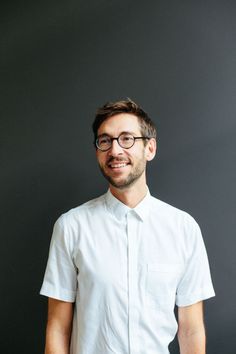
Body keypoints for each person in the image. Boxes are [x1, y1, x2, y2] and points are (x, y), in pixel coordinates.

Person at [40, 98, 215, 354]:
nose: (115, 151)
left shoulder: (183, 229)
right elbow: (58, 328)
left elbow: (191, 328)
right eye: (105, 140)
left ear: (150, 149)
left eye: (127, 139)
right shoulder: (71, 226)